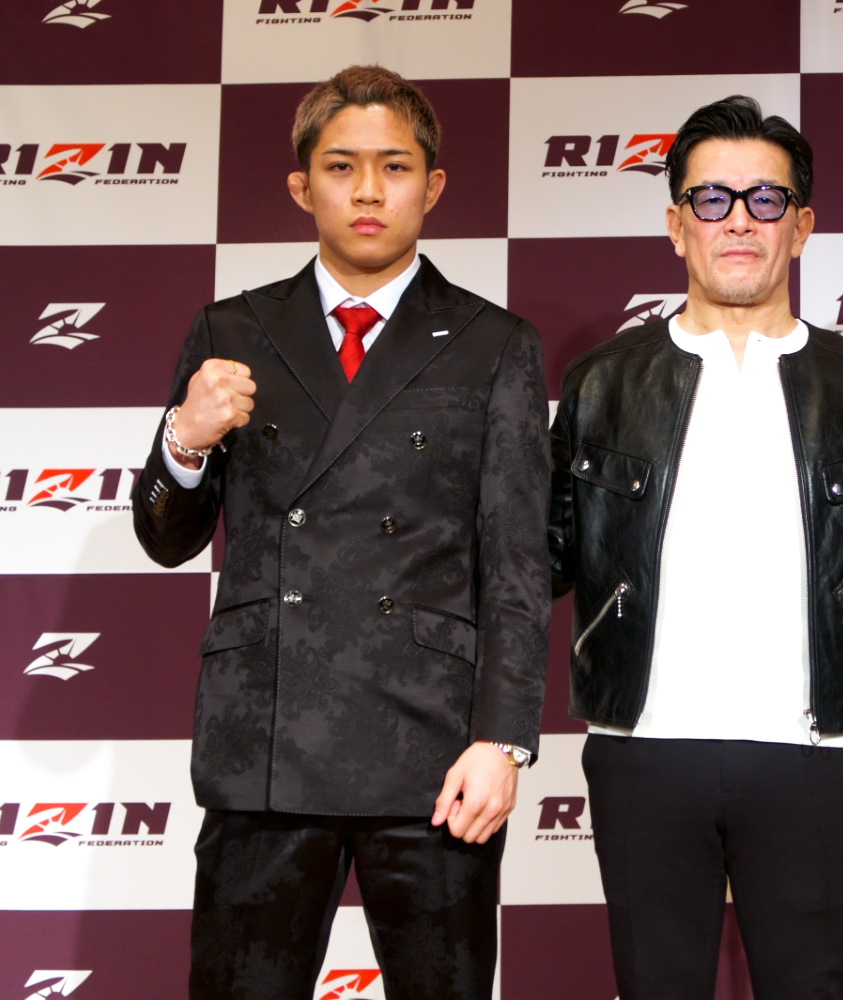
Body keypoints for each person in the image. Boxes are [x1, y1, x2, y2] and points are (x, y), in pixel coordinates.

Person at [131, 64, 549, 1000]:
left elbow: (518, 562)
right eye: (341, 166)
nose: (368, 191)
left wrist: (503, 740)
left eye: (394, 167)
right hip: (266, 736)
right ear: (300, 186)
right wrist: (183, 439)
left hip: (434, 749)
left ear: (433, 187)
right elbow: (165, 538)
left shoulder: (494, 344)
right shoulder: (232, 329)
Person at [548, 95, 843, 1000]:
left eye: (766, 199)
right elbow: (538, 558)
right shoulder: (602, 383)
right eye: (712, 198)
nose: (739, 220)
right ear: (677, 225)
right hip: (643, 746)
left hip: (812, 749)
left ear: (801, 226)